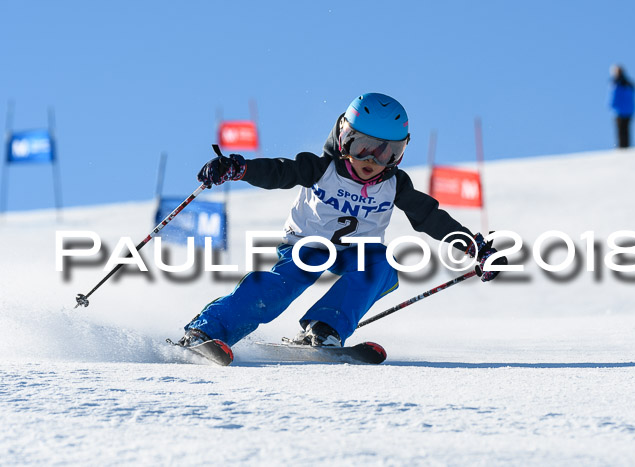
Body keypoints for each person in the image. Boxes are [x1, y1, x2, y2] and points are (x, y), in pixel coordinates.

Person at [177, 93, 506, 352]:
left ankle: (326, 328)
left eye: (387, 153)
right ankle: (207, 330)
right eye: (362, 147)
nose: (372, 161)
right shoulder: (322, 168)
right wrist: (241, 168)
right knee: (279, 286)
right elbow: (280, 171)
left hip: (357, 251)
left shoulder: (394, 185)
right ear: (343, 137)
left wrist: (474, 247)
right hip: (307, 246)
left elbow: (429, 216)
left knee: (381, 266)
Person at [609, 65, 635, 148]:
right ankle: (627, 146)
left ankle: (621, 148)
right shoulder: (630, 84)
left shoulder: (616, 83)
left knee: (620, 131)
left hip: (619, 111)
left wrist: (611, 105)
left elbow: (613, 96)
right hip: (629, 111)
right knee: (627, 131)